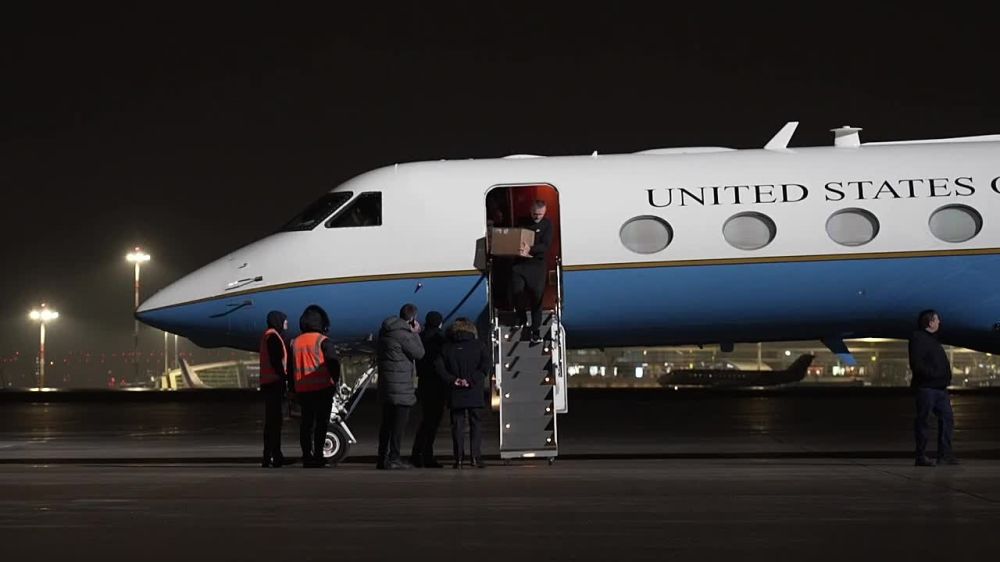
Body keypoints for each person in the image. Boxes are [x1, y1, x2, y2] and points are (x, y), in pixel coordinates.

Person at [435, 317, 491, 469]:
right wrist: (471, 380)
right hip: (474, 391)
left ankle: (458, 458)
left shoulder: (447, 348)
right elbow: (485, 366)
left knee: (457, 426)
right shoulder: (479, 346)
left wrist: (454, 380)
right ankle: (475, 457)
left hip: (455, 392)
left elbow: (439, 368)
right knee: (476, 425)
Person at [290, 304, 341, 468]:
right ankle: (318, 455)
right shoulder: (323, 341)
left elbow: (290, 369)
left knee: (306, 425)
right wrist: (335, 382)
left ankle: (306, 456)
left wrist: (293, 388)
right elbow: (334, 364)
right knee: (321, 425)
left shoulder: (295, 342)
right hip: (323, 389)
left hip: (303, 390)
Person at [376, 303, 425, 469]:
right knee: (398, 427)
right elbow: (419, 353)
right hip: (402, 387)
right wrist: (416, 334)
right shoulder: (404, 335)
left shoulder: (385, 331)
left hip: (386, 386)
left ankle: (381, 458)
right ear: (412, 318)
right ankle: (394, 458)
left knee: (386, 424)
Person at [908, 309, 958, 467]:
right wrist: (934, 375)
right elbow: (917, 364)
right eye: (937, 320)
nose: (939, 322)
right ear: (930, 322)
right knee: (923, 421)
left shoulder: (932, 339)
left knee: (947, 418)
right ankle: (921, 456)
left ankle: (944, 454)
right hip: (927, 388)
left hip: (939, 389)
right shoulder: (918, 339)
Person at [510, 199, 552, 343]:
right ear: (530, 211)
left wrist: (531, 249)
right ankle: (521, 317)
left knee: (536, 297)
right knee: (517, 291)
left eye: (540, 214)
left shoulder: (547, 225)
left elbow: (545, 245)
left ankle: (535, 330)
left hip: (536, 265)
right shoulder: (522, 221)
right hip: (520, 264)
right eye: (535, 214)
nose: (537, 217)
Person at [410, 311, 448, 468]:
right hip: (437, 384)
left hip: (424, 383)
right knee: (432, 422)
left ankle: (417, 453)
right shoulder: (441, 339)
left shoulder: (421, 338)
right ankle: (426, 455)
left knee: (426, 420)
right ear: (440, 323)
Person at [259, 311, 291, 468]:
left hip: (269, 383)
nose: (287, 324)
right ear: (278, 321)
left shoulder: (269, 335)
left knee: (272, 422)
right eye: (285, 321)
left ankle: (271, 456)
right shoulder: (273, 337)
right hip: (274, 383)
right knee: (274, 423)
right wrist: (285, 378)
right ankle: (273, 457)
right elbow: (276, 361)